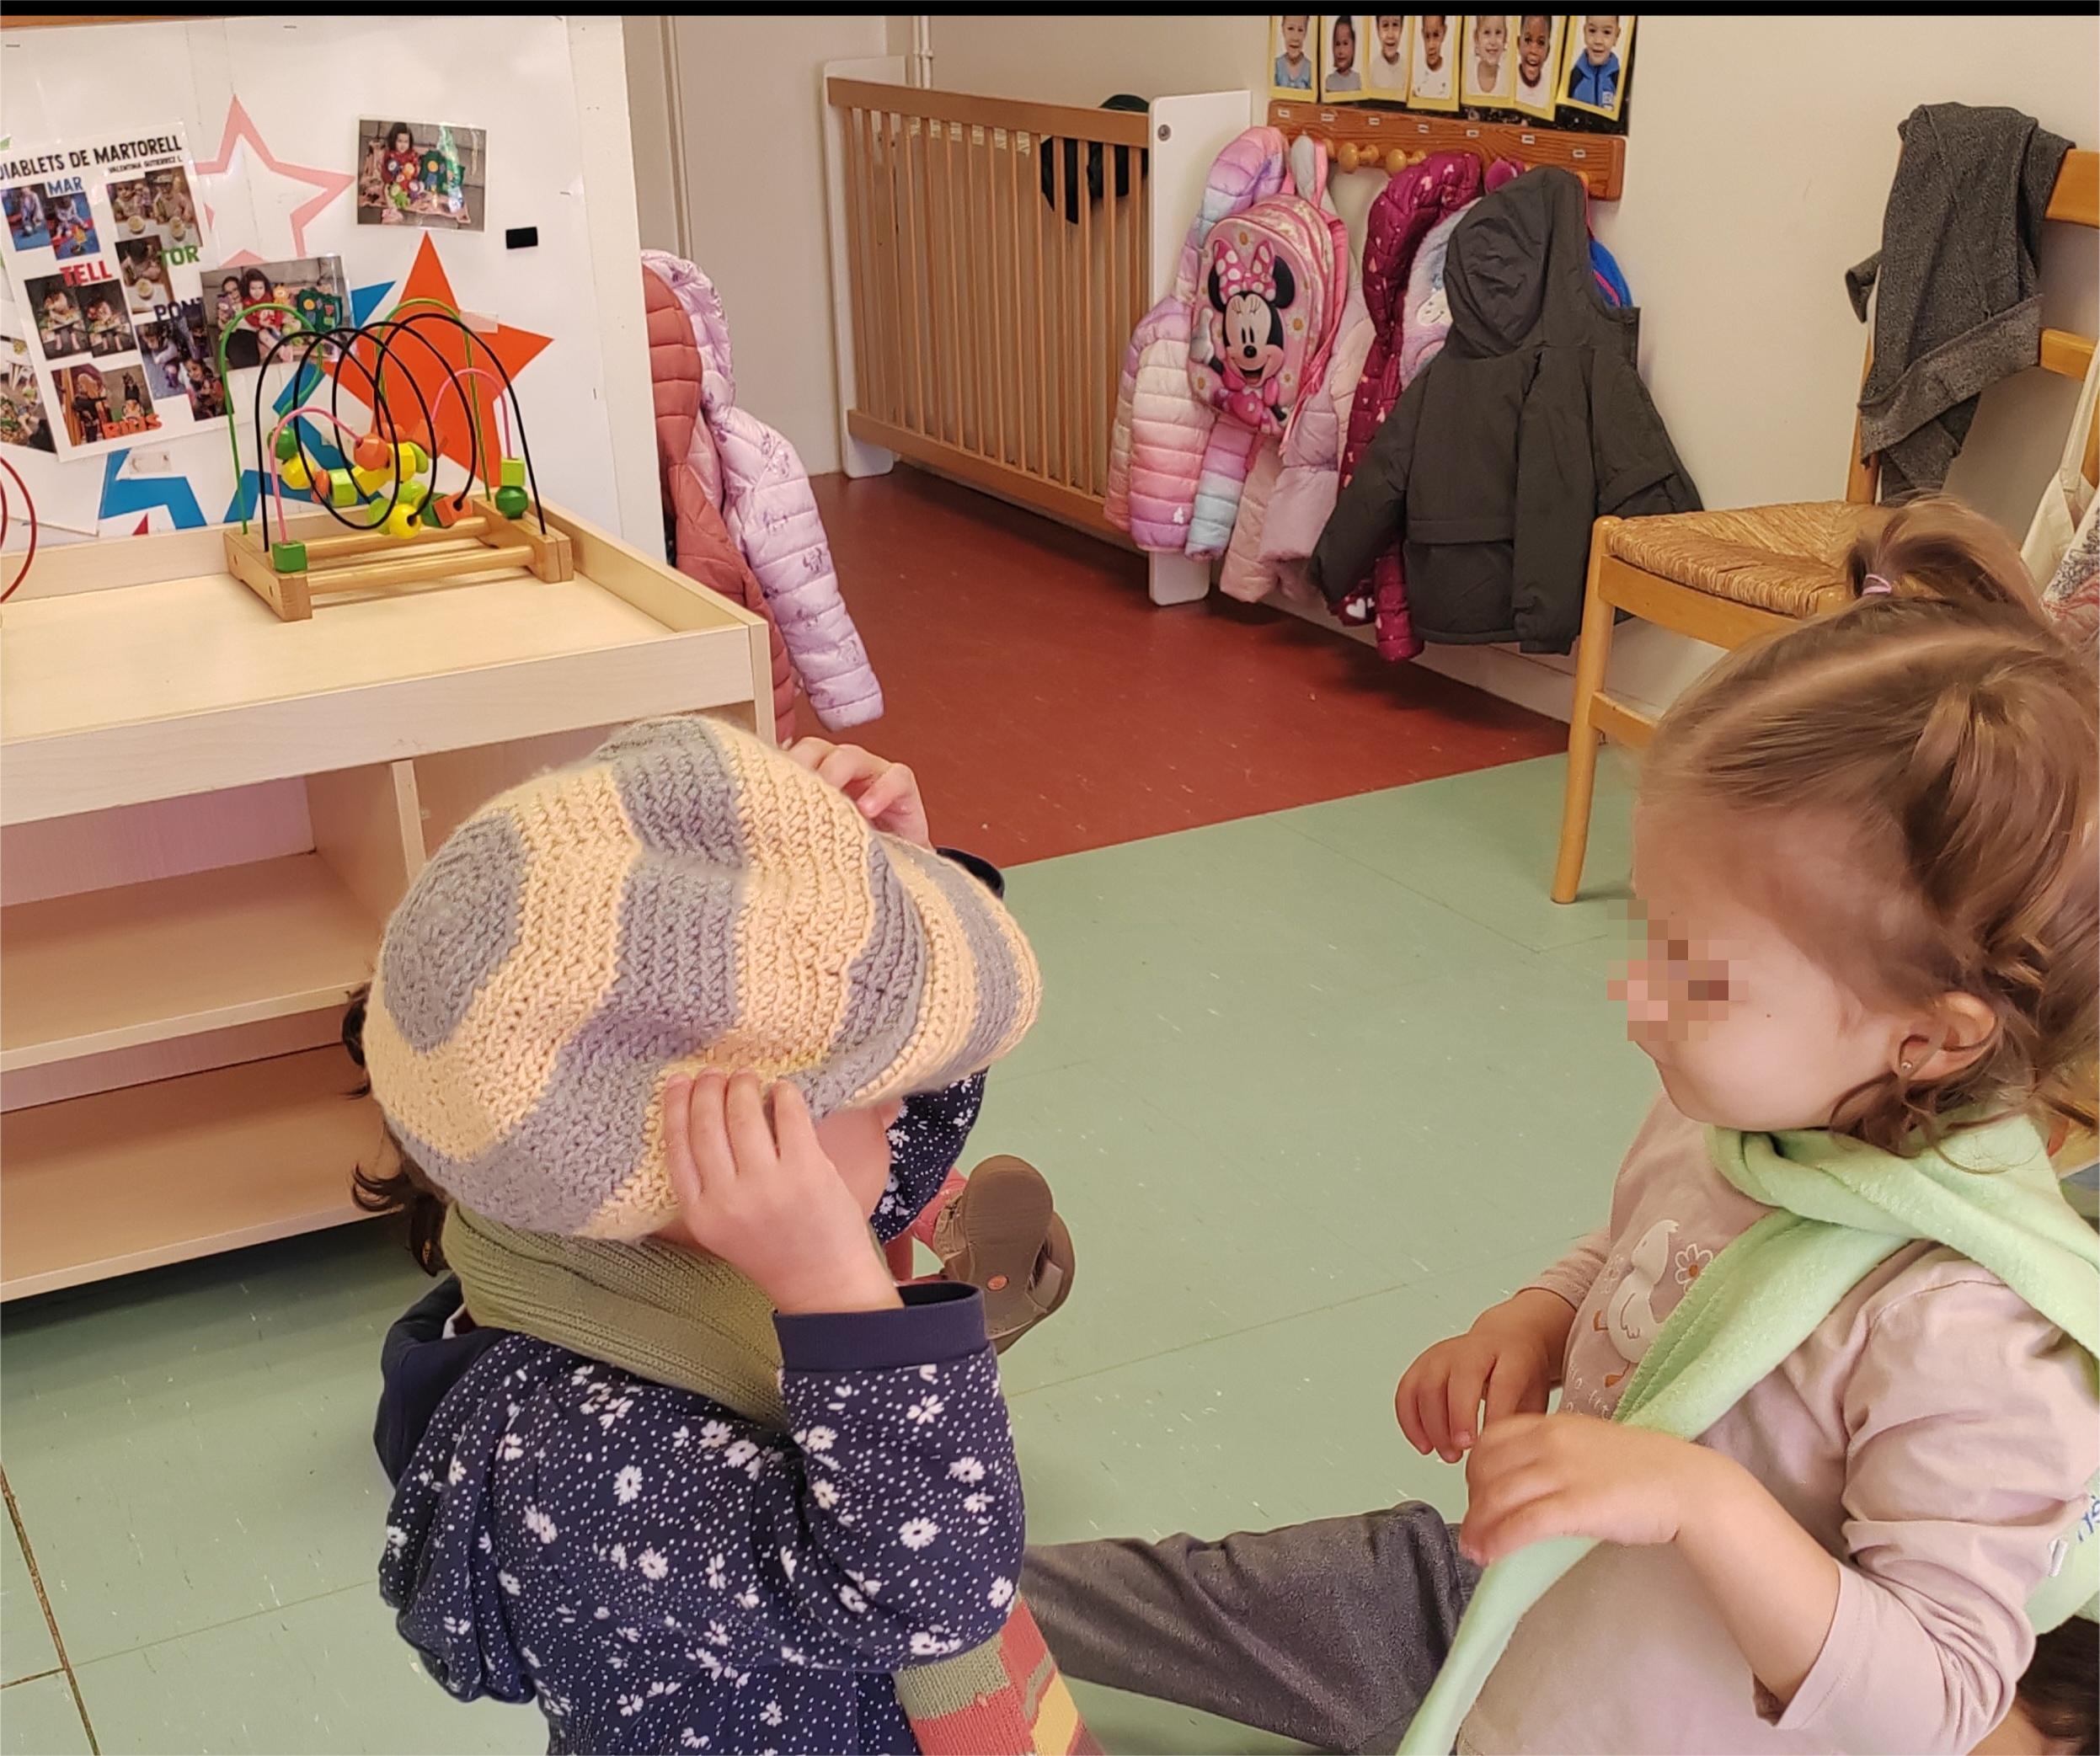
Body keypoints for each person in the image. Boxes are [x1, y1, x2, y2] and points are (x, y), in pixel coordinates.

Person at [1023, 498, 2100, 1755]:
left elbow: (1934, 1702)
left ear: (1931, 1037)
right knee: (1212, 1596)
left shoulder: (1970, 1329)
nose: (1635, 998)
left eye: (1697, 974)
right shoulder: (1751, 1122)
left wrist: (1701, 1504)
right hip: (1527, 1623)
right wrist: (1534, 1319)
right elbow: (1654, 1251)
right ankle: (935, 1601)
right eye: (1649, 936)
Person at [362, 718, 1093, 1755]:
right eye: (865, 1086)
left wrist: (894, 901)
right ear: (690, 1154)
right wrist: (840, 1296)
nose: (902, 1105)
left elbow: (881, 1171)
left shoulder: (625, 1239)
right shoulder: (567, 1451)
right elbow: (935, 1594)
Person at [1566, 13, 1622, 106]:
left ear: (1616, 36)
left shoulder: (1619, 80)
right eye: (1592, 31)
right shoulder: (1574, 78)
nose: (1598, 41)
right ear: (1585, 32)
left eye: (1606, 32)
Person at [1514, 13, 1555, 103]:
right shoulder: (1508, 85)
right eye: (1528, 40)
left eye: (1541, 42)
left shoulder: (1549, 95)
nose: (1533, 50)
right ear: (1519, 43)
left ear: (1548, 51)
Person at [1467, 13, 1510, 99]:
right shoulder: (1468, 76)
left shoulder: (1508, 80)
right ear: (1476, 38)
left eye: (1498, 32)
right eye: (1486, 32)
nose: (1493, 41)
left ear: (1505, 38)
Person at [1412, 13, 1453, 98]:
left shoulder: (1451, 75)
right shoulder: (1415, 75)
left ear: (1444, 32)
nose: (1431, 45)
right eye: (1427, 36)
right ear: (1422, 34)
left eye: (1436, 35)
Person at [1367, 14, 1409, 88]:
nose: (1390, 35)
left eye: (1395, 25)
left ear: (1401, 28)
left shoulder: (1409, 71)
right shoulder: (1370, 74)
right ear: (1378, 29)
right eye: (1385, 25)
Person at [1274, 14, 1313, 88]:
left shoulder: (1311, 69)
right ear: (1283, 29)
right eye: (1290, 28)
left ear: (1305, 33)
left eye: (1300, 30)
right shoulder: (1276, 66)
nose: (1295, 37)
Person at [1326, 16, 1363, 92]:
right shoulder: (1329, 82)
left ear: (1354, 47)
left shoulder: (1359, 80)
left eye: (1345, 43)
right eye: (1337, 44)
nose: (1341, 51)